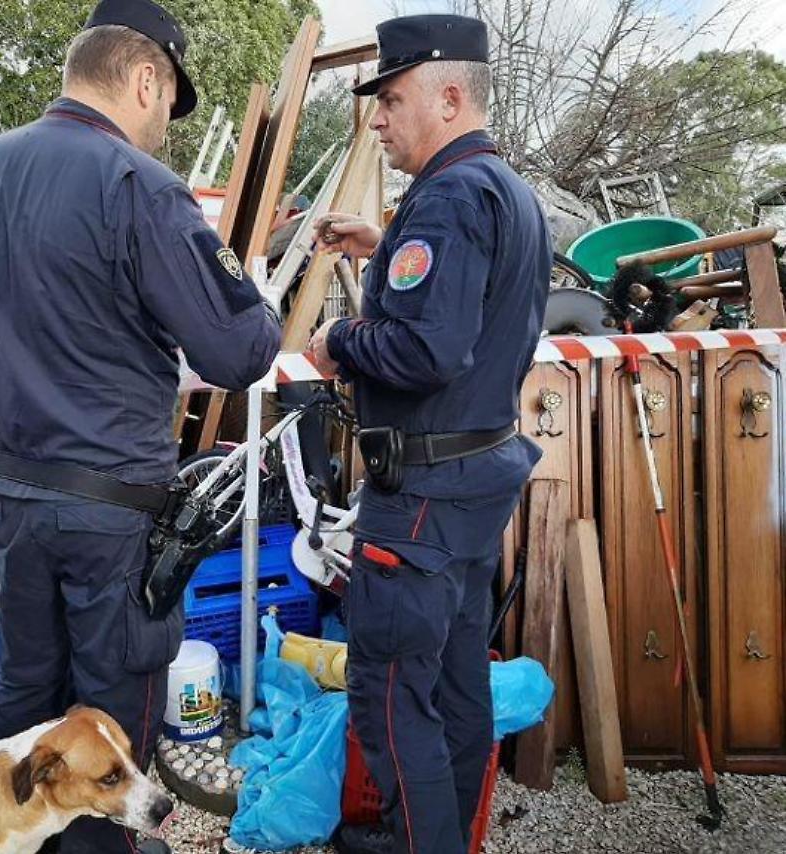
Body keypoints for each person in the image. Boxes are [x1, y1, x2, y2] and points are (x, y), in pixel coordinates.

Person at [0, 0, 282, 851]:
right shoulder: (138, 185)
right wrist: (258, 292)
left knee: (25, 694)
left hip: (9, 494)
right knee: (109, 708)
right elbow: (238, 350)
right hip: (107, 512)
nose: (164, 125)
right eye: (168, 102)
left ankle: (1, 837)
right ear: (143, 78)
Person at [307, 14, 551, 854]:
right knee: (455, 692)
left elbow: (426, 346)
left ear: (450, 98)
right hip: (474, 492)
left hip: (418, 508)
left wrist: (336, 343)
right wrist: (386, 244)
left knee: (391, 700)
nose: (377, 119)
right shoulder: (501, 191)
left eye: (392, 98)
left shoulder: (447, 198)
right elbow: (470, 304)